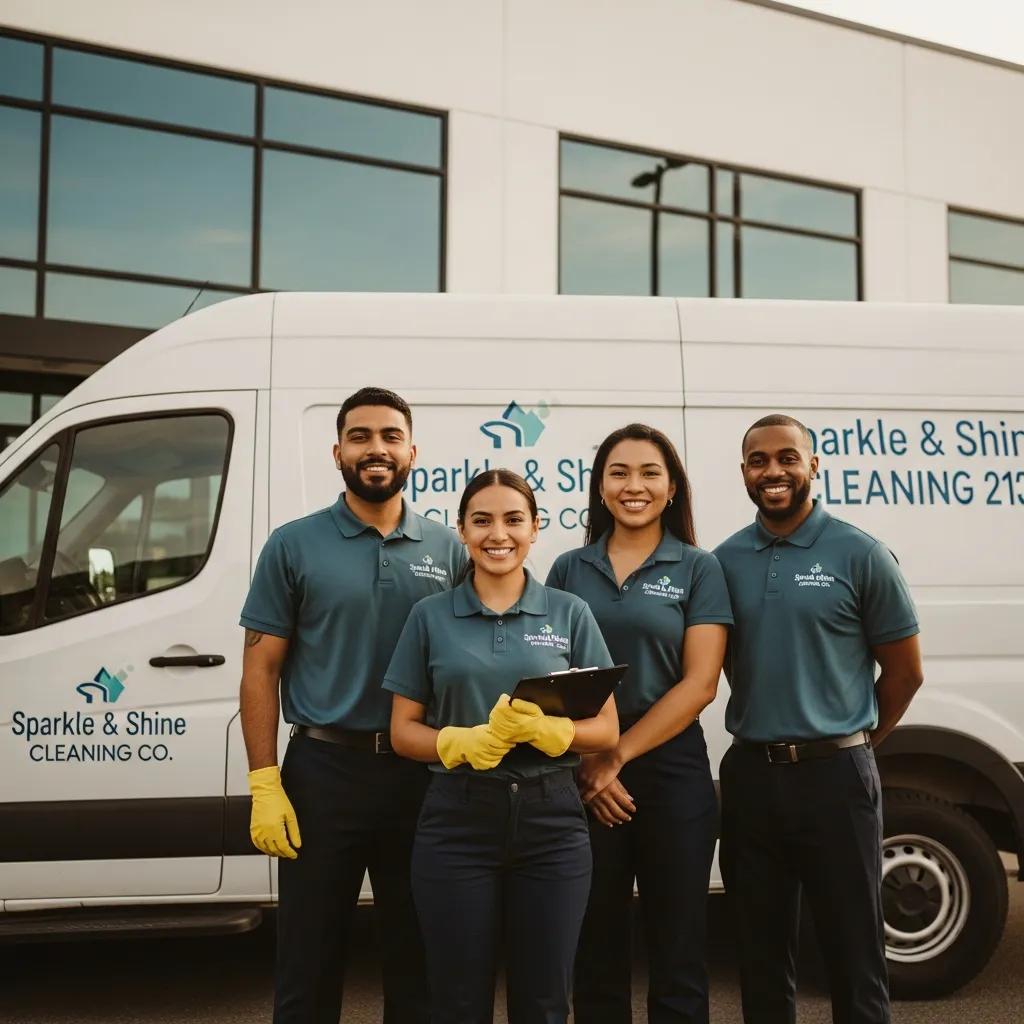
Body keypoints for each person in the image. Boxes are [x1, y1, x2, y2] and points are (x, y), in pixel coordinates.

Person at [238, 386, 467, 1024]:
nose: (376, 449)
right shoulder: (293, 544)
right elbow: (260, 668)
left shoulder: (447, 549)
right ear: (337, 451)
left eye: (391, 436)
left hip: (420, 773)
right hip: (323, 772)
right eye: (360, 436)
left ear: (413, 451)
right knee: (308, 961)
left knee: (418, 960)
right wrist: (264, 783)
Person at [384, 468, 619, 1024]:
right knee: (458, 1003)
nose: (498, 534)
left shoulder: (569, 612)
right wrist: (459, 742)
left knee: (544, 1002)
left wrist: (554, 733)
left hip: (552, 821)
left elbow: (607, 729)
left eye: (514, 520)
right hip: (457, 820)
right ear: (462, 530)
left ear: (535, 528)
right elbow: (402, 732)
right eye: (482, 520)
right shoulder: (429, 616)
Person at [714, 413, 924, 1024]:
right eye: (758, 461)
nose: (773, 471)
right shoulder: (723, 561)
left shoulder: (860, 553)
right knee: (759, 959)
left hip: (836, 778)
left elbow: (905, 672)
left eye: (787, 457)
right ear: (744, 472)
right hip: (752, 776)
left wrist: (856, 742)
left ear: (813, 465)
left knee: (854, 958)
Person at [546, 423, 733, 1024]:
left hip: (670, 767)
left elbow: (700, 684)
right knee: (594, 949)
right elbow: (551, 676)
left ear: (672, 487)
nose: (635, 486)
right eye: (619, 473)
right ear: (600, 488)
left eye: (650, 473)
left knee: (679, 951)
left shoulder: (699, 568)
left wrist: (615, 756)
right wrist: (588, 761)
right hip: (583, 768)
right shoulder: (568, 568)